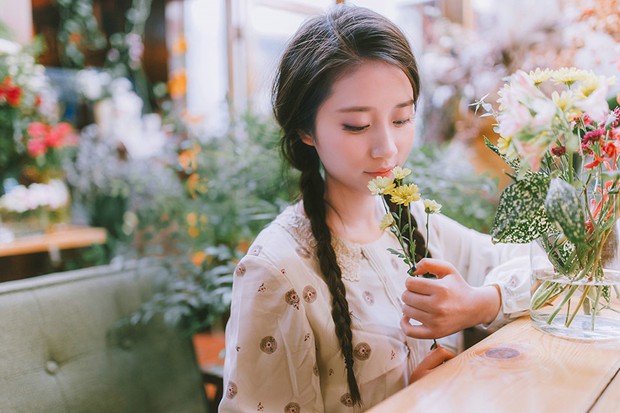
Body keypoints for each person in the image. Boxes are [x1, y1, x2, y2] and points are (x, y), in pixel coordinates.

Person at [221, 4, 531, 412]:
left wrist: (481, 302)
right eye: (357, 125)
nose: (387, 147)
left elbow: (544, 264)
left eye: (401, 119)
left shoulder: (411, 220)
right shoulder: (276, 272)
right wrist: (410, 402)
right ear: (305, 128)